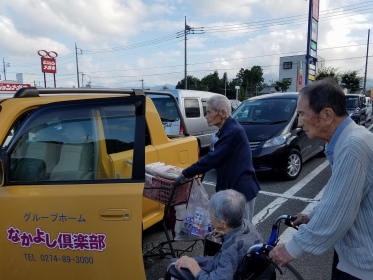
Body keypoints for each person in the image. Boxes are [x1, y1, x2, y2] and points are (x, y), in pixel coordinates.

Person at [269, 78, 373, 280]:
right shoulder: (350, 140)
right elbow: (340, 193)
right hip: (355, 255)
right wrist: (312, 215)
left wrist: (291, 248)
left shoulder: (353, 146)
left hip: (363, 264)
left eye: (301, 114)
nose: (299, 123)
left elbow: (339, 210)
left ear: (327, 115)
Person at [181, 94, 260, 222]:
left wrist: (186, 172)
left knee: (242, 233)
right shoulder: (227, 130)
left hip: (241, 191)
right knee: (229, 232)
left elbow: (213, 158)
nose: (206, 116)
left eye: (208, 112)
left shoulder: (233, 131)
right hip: (232, 191)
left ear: (222, 113)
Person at [167, 189, 263, 280]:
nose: (210, 217)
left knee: (173, 265)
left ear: (223, 223)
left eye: (211, 214)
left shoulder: (230, 250)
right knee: (179, 262)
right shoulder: (247, 224)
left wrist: (194, 267)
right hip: (238, 268)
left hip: (220, 271)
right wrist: (224, 232)